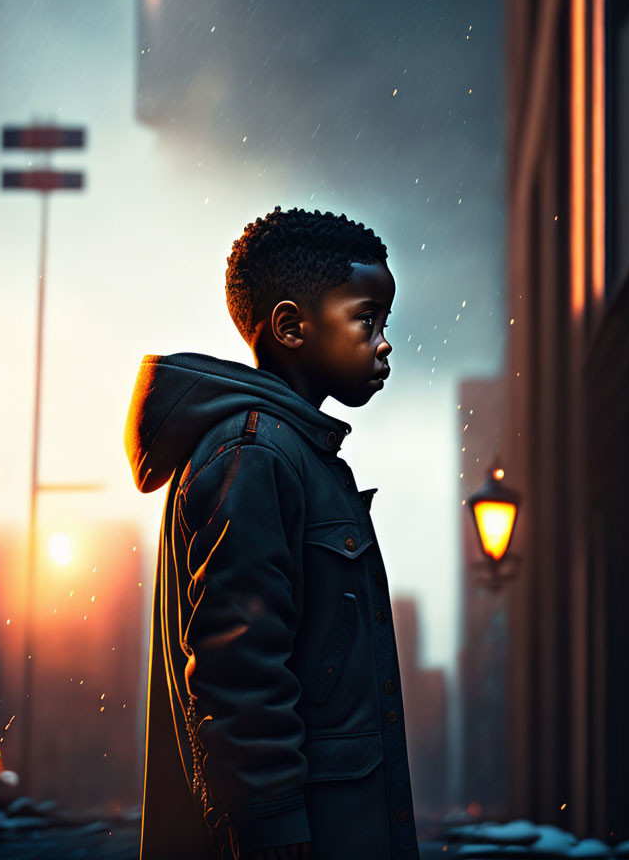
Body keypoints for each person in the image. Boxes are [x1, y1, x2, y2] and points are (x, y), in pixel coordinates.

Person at [124, 207, 420, 860]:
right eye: (367, 318)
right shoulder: (255, 454)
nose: (384, 341)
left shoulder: (289, 454)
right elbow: (240, 671)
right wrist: (270, 830)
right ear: (291, 326)